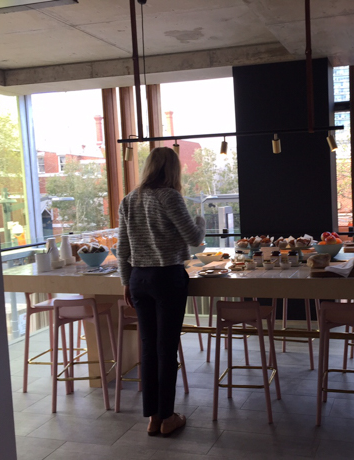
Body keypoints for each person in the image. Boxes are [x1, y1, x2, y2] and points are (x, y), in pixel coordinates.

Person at [117, 147, 205, 437]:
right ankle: (167, 417)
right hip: (167, 277)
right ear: (173, 169)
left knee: (148, 348)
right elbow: (193, 238)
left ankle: (152, 418)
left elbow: (123, 249)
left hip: (139, 279)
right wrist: (202, 220)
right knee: (166, 349)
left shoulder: (130, 199)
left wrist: (126, 282)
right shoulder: (169, 196)